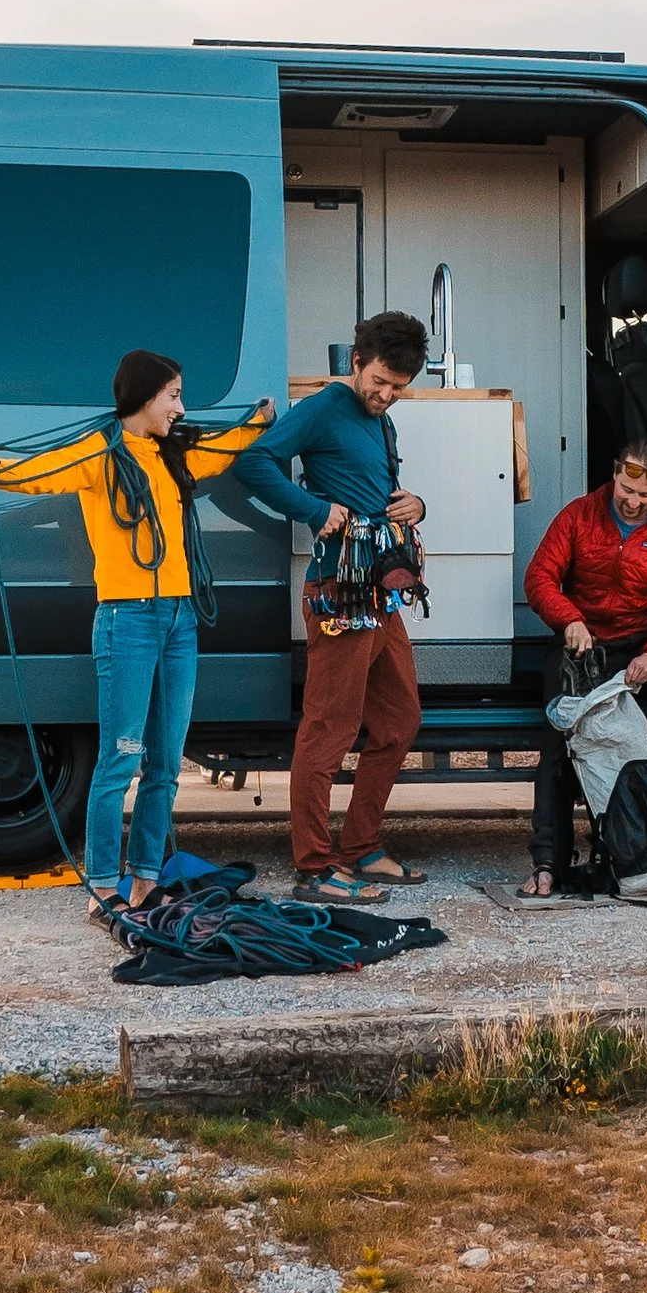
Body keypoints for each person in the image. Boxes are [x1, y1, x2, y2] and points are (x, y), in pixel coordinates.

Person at [0, 354, 269, 919]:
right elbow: (41, 469)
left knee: (166, 764)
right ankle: (104, 883)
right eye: (172, 395)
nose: (180, 407)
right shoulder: (100, 454)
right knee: (120, 759)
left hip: (180, 620)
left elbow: (225, 449)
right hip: (128, 619)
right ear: (143, 398)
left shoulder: (175, 457)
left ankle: (147, 878)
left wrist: (259, 420)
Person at [229, 310, 431, 904]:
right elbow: (254, 462)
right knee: (329, 729)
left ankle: (361, 847)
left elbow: (377, 487)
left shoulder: (380, 421)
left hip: (382, 592)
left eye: (398, 388)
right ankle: (315, 868)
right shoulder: (322, 408)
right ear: (356, 362)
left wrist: (415, 504)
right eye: (380, 382)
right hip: (339, 592)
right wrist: (315, 512)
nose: (386, 395)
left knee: (398, 722)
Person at [519, 437, 647, 895]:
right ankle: (547, 861)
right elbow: (538, 577)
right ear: (615, 474)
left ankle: (632, 738)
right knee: (555, 746)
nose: (632, 503)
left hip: (639, 651)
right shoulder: (578, 514)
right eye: (625, 492)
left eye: (644, 497)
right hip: (582, 647)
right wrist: (569, 618)